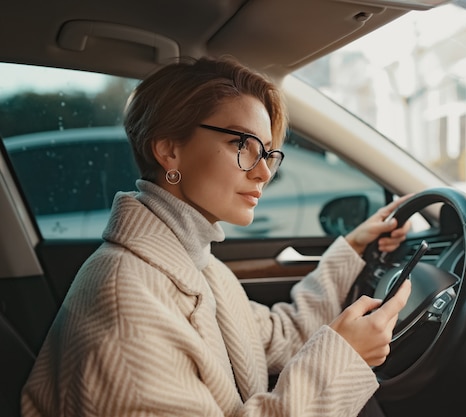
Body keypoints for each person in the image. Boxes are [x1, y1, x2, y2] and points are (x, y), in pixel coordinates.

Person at [21, 56, 412, 417]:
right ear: (169, 151)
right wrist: (342, 361)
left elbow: (281, 335)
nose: (263, 173)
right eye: (242, 144)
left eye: (269, 154)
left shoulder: (200, 266)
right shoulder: (125, 303)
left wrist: (353, 247)